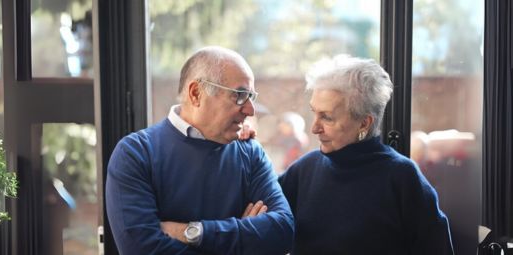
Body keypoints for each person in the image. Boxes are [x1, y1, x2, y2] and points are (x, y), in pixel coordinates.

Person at [106, 46, 294, 254]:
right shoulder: (136, 154)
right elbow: (140, 250)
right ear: (196, 93)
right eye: (240, 95)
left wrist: (193, 232)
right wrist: (245, 240)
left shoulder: (250, 152)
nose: (250, 110)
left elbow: (283, 231)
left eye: (251, 96)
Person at [279, 55, 454, 254]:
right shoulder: (304, 169)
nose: (314, 128)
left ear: (364, 123)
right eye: (314, 112)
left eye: (327, 117)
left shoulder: (403, 178)